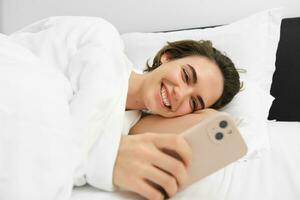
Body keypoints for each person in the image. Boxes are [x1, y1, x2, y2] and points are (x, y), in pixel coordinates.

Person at [10, 16, 240, 200]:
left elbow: (208, 122)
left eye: (194, 102)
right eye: (186, 75)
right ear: (167, 58)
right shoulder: (102, 38)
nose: (180, 94)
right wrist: (102, 158)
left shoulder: (128, 127)